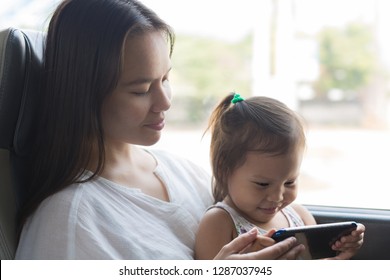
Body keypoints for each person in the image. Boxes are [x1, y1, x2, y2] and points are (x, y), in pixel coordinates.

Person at [15, 0, 305, 259]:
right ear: (84, 93)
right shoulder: (70, 220)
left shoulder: (184, 173)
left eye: (165, 78)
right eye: (141, 90)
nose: (165, 102)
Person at [195, 93, 365, 260]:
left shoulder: (299, 216)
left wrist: (340, 252)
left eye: (290, 182)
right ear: (224, 169)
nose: (278, 196)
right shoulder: (219, 223)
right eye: (262, 184)